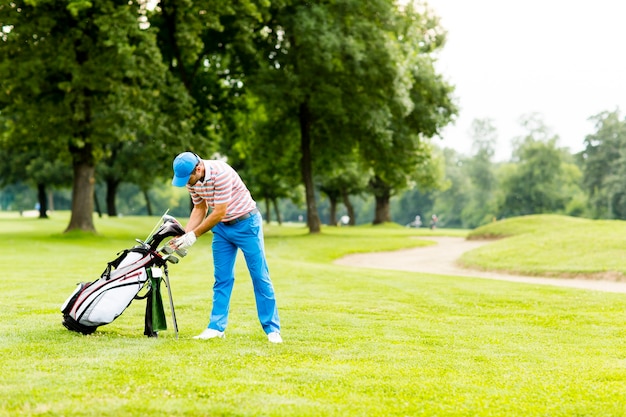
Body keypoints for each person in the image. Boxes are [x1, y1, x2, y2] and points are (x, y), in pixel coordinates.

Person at [169, 152, 282, 343]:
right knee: (222, 278)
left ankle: (272, 329)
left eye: (188, 178)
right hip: (222, 230)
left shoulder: (220, 173)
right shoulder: (191, 180)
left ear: (198, 168)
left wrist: (194, 235)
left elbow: (219, 212)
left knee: (259, 276)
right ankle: (216, 328)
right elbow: (200, 209)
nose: (188, 183)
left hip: (247, 224)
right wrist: (185, 235)